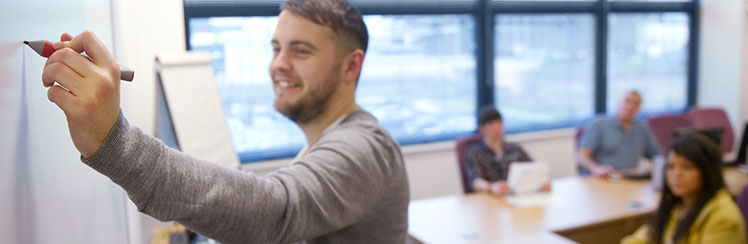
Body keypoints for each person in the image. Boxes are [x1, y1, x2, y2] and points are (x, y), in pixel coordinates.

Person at [39, 0, 409, 243]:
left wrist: (115, 144)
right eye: (277, 48)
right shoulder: (323, 142)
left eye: (301, 50)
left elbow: (276, 212)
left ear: (351, 66)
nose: (279, 64)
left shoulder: (364, 147)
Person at [621, 133, 746, 244]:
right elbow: (641, 239)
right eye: (670, 166)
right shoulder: (679, 206)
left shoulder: (723, 219)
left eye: (687, 167)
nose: (676, 174)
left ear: (708, 171)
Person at [465, 107, 550, 196]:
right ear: (482, 128)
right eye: (491, 124)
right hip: (491, 198)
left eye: (499, 122)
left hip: (516, 195)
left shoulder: (515, 149)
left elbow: (534, 167)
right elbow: (475, 182)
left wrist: (543, 181)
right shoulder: (476, 152)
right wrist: (492, 187)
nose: (496, 127)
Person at [578, 90, 660, 177]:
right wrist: (595, 168)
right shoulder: (599, 124)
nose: (630, 107)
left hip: (629, 178)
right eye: (627, 101)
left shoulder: (642, 128)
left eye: (636, 104)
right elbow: (582, 156)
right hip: (603, 178)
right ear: (618, 102)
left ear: (640, 108)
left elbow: (657, 156)